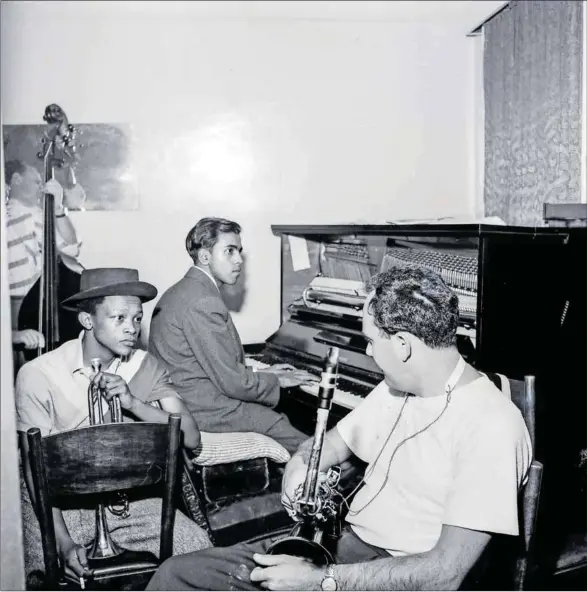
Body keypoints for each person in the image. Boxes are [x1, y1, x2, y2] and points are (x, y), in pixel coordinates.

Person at [146, 266, 532, 591]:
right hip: (338, 547)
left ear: (403, 345)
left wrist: (323, 580)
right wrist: (299, 467)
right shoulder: (396, 388)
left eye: (369, 340)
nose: (366, 352)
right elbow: (327, 446)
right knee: (176, 575)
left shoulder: (491, 425)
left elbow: (446, 574)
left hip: (388, 575)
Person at [15, 268, 212, 587]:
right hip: (55, 507)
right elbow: (33, 471)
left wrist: (134, 403)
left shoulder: (145, 366)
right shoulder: (39, 374)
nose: (131, 328)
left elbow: (190, 436)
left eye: (136, 318)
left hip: (123, 503)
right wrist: (63, 544)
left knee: (198, 550)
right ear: (87, 321)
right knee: (24, 575)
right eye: (119, 318)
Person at [149, 217, 317, 454]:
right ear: (205, 256)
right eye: (229, 251)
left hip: (190, 399)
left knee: (288, 416)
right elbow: (234, 383)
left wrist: (262, 372)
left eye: (239, 251)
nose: (239, 260)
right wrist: (277, 380)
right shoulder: (203, 301)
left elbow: (208, 366)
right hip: (207, 411)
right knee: (312, 445)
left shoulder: (183, 291)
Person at [5, 159, 85, 360]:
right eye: (36, 181)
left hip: (42, 302)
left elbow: (71, 248)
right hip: (16, 307)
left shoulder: (39, 215)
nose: (41, 188)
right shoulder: (15, 214)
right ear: (16, 179)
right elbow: (71, 249)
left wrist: (58, 209)